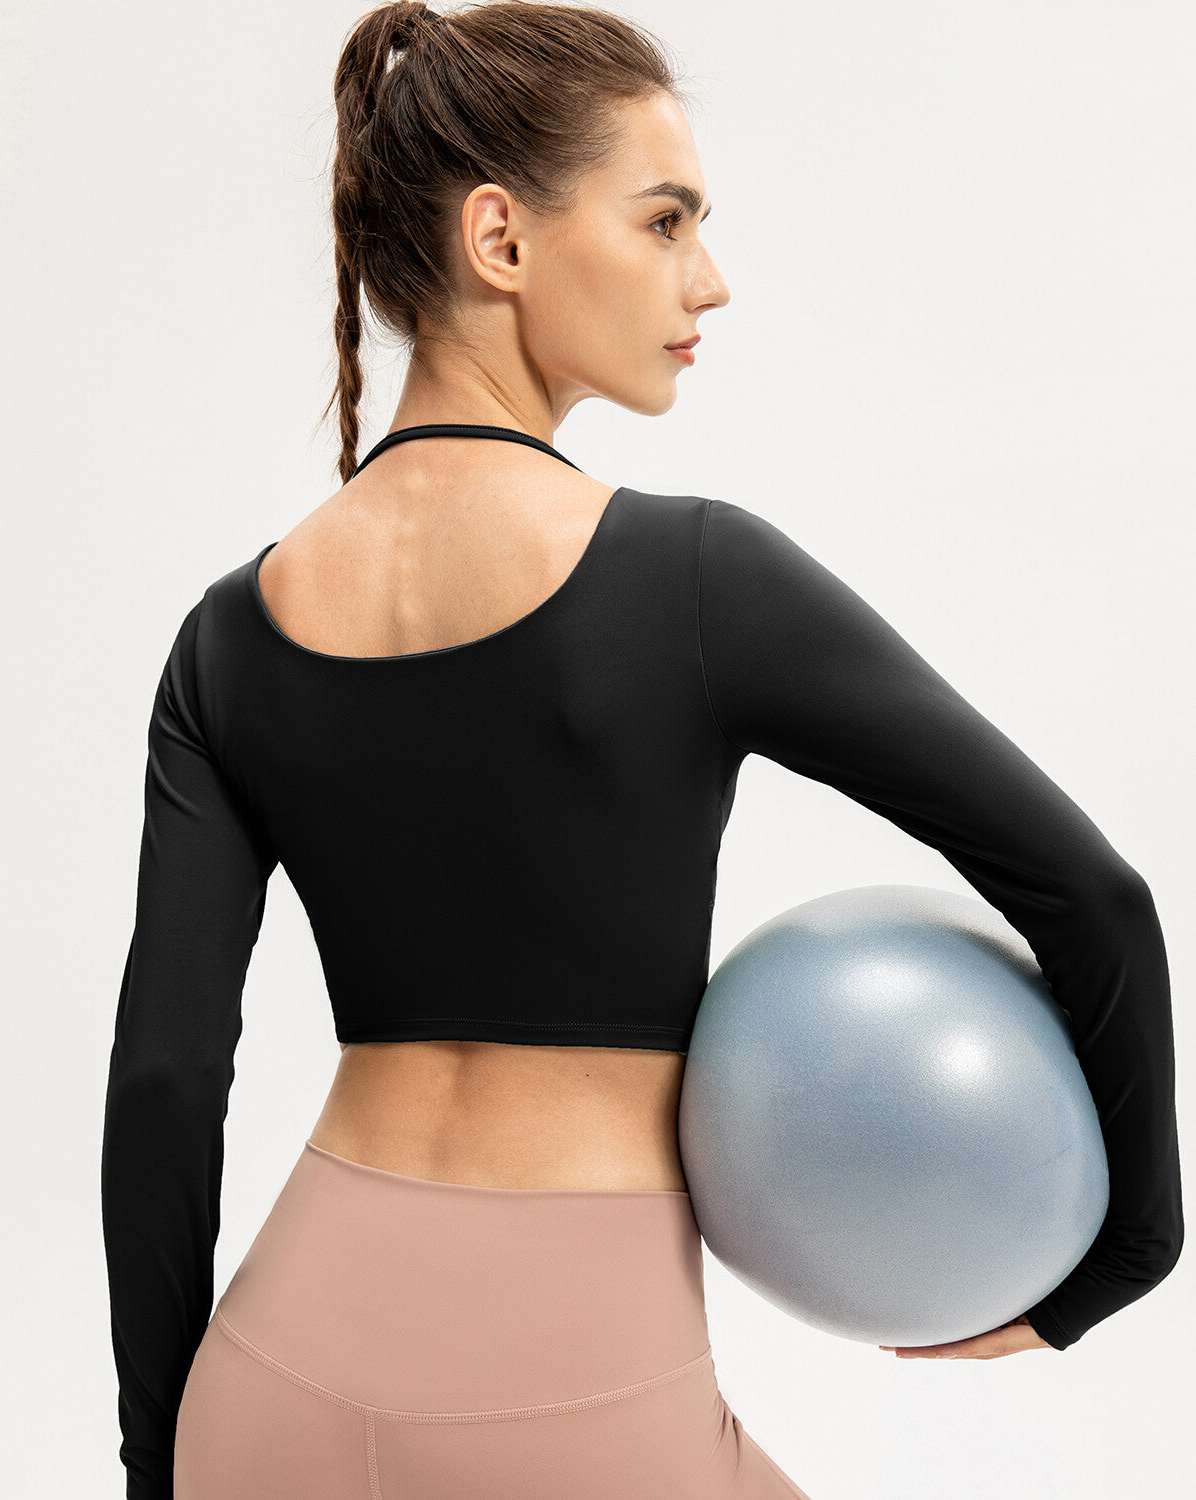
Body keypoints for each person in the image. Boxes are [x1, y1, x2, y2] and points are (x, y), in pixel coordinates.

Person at [100, 3, 1183, 1497]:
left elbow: (165, 1081)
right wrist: (1131, 1252)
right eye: (666, 220)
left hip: (268, 1384)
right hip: (574, 1395)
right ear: (501, 238)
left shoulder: (229, 635)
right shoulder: (694, 581)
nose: (708, 278)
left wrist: (160, 1460)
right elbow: (1092, 895)